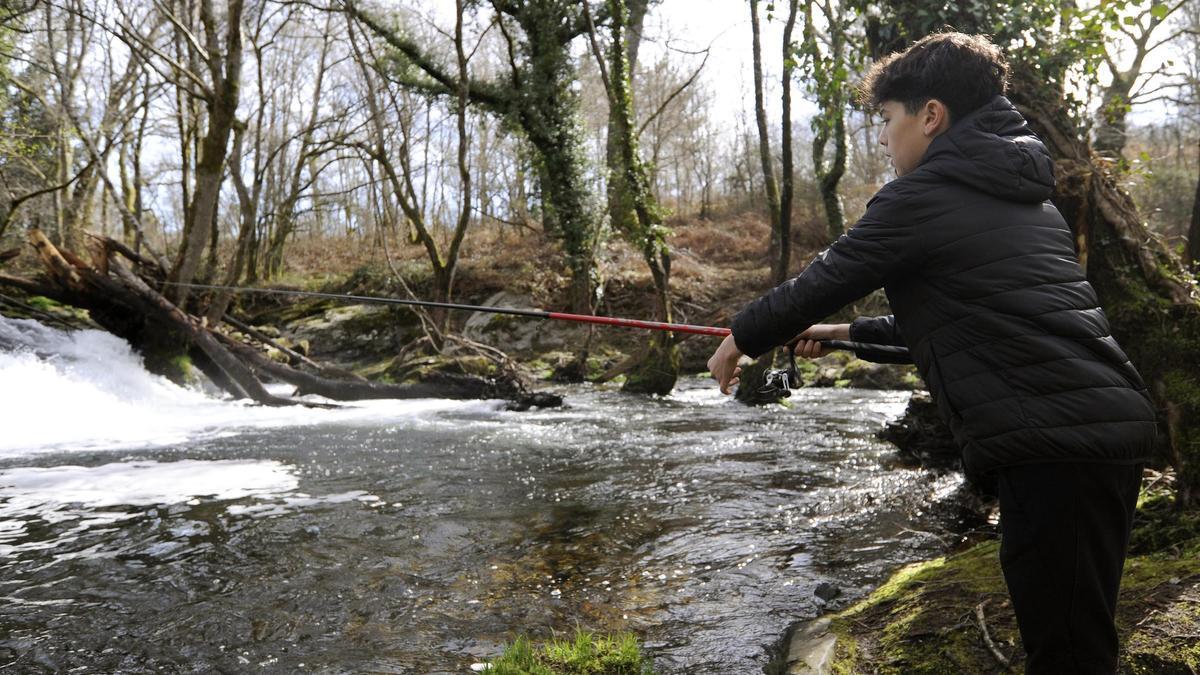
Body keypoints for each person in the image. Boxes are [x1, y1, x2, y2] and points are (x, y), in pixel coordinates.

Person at [707, 32, 1157, 674]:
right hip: (1087, 434)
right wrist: (839, 335)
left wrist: (740, 338)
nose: (885, 139)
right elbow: (955, 321)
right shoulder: (1020, 197)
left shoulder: (924, 195)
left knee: (1069, 653)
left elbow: (831, 274)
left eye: (888, 120)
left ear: (931, 115)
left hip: (1059, 443)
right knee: (1074, 636)